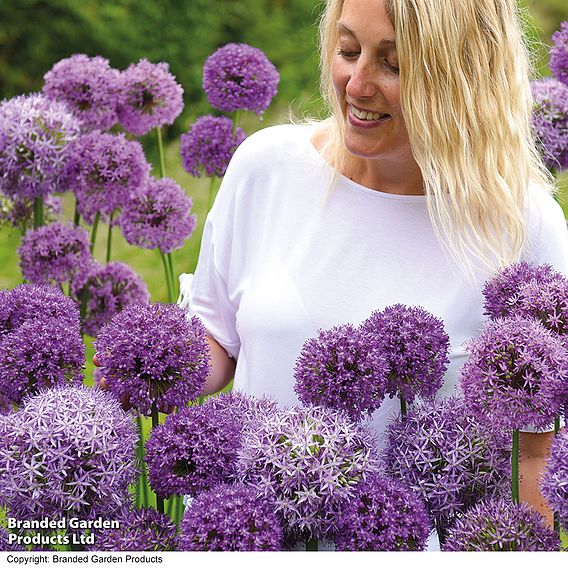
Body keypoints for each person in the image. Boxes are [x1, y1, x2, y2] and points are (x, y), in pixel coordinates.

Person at [106, 0, 567, 544]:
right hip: (249, 541)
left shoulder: (523, 225)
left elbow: (535, 451)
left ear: (463, 77)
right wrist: (140, 368)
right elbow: (217, 337)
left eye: (393, 64)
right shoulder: (266, 168)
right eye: (348, 50)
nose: (356, 84)